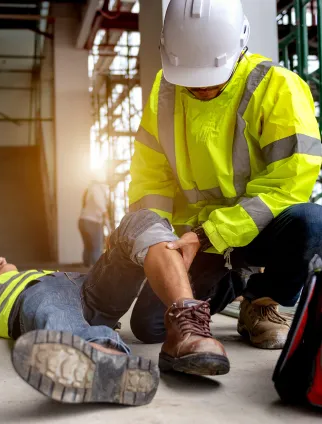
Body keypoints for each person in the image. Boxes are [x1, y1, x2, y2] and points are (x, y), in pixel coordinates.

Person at [80, 0, 322, 377]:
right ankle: (232, 283)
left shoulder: (278, 88)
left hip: (256, 230)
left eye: (212, 78)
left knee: (312, 222)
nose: (202, 88)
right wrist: (157, 240)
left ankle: (262, 301)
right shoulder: (164, 91)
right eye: (191, 79)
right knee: (151, 327)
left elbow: (289, 184)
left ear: (239, 49)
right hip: (196, 241)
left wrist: (209, 234)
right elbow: (151, 179)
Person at [0, 257, 159, 406]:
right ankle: (106, 356)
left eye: (1, 262)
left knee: (126, 246)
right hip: (42, 296)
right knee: (55, 308)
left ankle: (101, 359)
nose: (1, 262)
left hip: (79, 287)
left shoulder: (34, 272)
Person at [78, 177, 111, 267]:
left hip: (83, 221)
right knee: (96, 248)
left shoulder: (90, 189)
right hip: (93, 222)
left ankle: (84, 272)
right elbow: (100, 203)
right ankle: (97, 272)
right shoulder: (97, 188)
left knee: (88, 248)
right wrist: (110, 230)